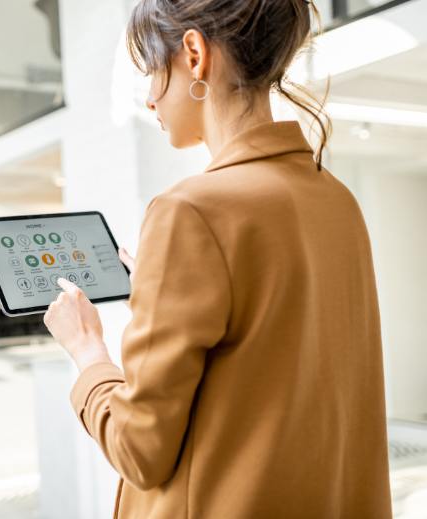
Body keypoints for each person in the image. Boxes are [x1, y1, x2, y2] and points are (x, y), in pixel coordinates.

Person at [42, 0, 393, 517]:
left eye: (150, 71)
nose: (148, 100)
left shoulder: (189, 212)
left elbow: (140, 452)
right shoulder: (338, 200)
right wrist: (166, 291)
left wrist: (88, 350)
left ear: (193, 54)